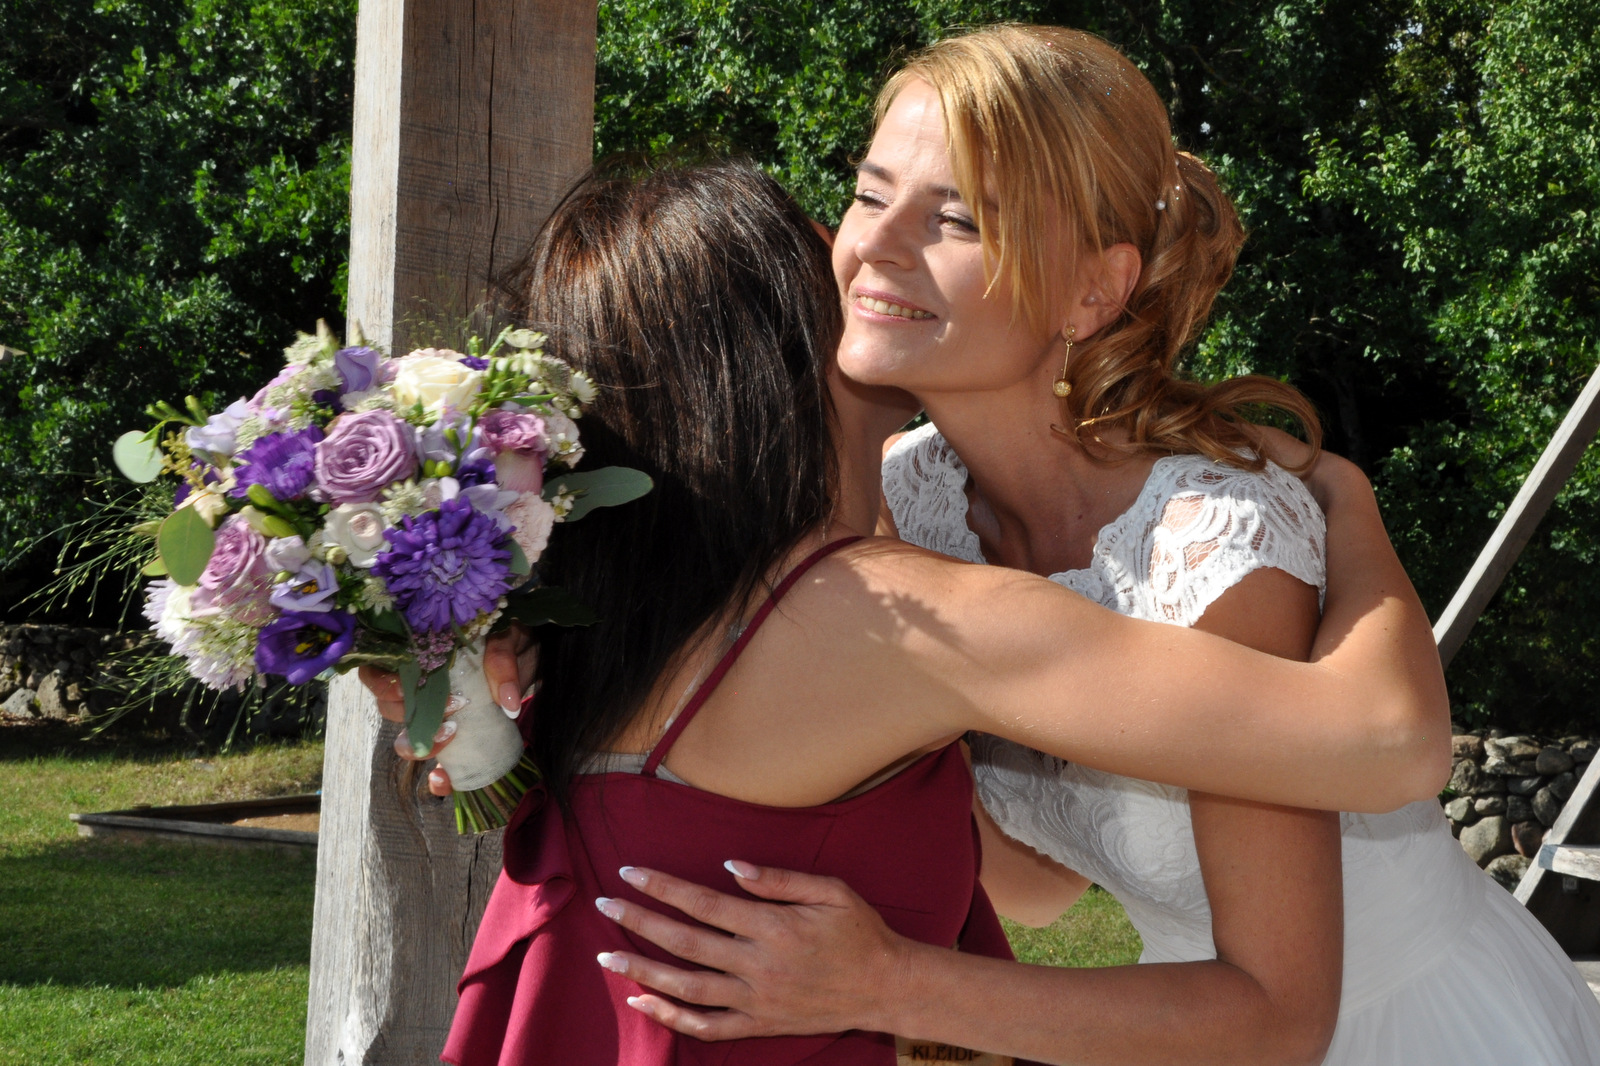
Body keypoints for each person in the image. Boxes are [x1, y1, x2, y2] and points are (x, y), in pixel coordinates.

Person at [591, 25, 1600, 1065]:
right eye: (867, 193)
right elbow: (1041, 885)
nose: (874, 246)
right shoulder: (913, 500)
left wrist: (888, 983)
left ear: (1093, 290)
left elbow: (1281, 1019)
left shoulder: (1214, 544)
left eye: (955, 217)